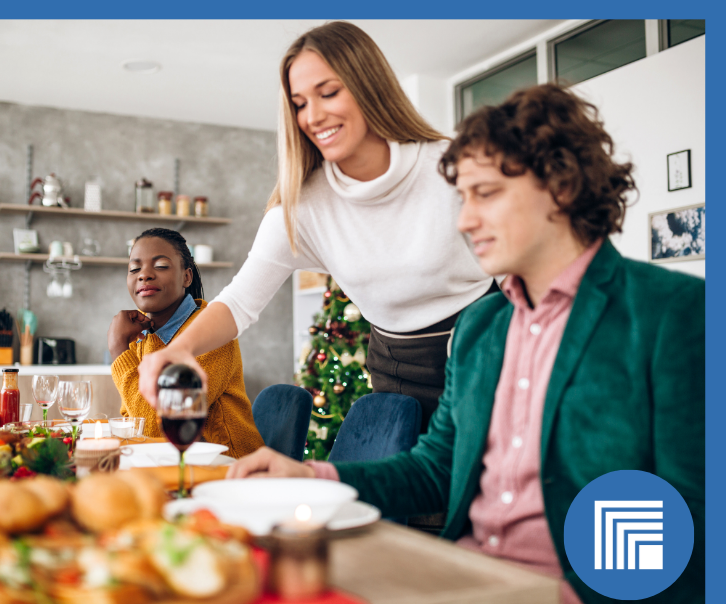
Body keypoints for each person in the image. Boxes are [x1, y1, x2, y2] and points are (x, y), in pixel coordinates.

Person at [227, 84, 705, 604]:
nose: (464, 220)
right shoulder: (481, 328)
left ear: (561, 186)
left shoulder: (671, 312)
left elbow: (694, 511)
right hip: (462, 575)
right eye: (463, 197)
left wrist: (569, 600)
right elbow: (435, 470)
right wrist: (313, 476)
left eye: (487, 193)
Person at [136, 21, 494, 430]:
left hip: (489, 354)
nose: (313, 116)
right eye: (300, 103)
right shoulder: (302, 205)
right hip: (396, 382)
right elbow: (239, 302)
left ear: (369, 85)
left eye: (329, 93)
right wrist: (180, 349)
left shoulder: (451, 167)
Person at [108, 228, 264, 459]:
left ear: (186, 277)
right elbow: (132, 418)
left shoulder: (209, 333)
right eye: (134, 268)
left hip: (227, 468)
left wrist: (119, 350)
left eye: (160, 265)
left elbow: (157, 428)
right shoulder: (143, 337)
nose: (144, 275)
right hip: (175, 463)